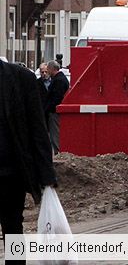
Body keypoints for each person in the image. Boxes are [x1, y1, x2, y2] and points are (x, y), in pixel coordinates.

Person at [0, 56, 57, 258]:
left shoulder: (20, 79)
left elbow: (37, 130)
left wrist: (47, 177)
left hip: (11, 175)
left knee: (13, 229)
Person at [44, 60, 69, 154]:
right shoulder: (61, 79)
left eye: (48, 69)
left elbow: (56, 97)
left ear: (51, 69)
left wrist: (48, 109)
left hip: (54, 112)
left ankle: (58, 153)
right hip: (55, 110)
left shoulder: (58, 80)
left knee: (55, 134)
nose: (47, 72)